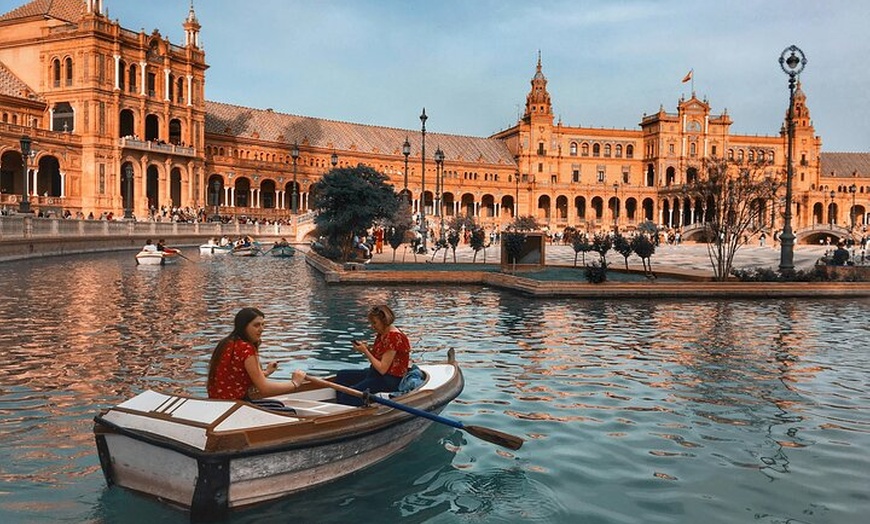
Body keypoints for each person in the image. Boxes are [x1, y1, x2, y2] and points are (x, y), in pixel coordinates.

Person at [207, 307, 307, 407]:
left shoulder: (225, 343)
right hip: (234, 407)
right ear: (244, 326)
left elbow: (237, 377)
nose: (261, 329)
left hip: (219, 405)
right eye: (256, 325)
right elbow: (265, 389)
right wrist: (295, 383)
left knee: (278, 404)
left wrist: (266, 372)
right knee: (289, 411)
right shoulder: (246, 348)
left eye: (263, 325)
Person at [334, 305, 411, 406]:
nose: (372, 326)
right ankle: (343, 406)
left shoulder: (394, 337)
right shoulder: (383, 333)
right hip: (375, 374)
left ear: (384, 321)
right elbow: (381, 355)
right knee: (341, 375)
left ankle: (355, 406)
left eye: (375, 323)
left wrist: (366, 351)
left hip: (388, 380)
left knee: (347, 395)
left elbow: (383, 369)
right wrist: (366, 348)